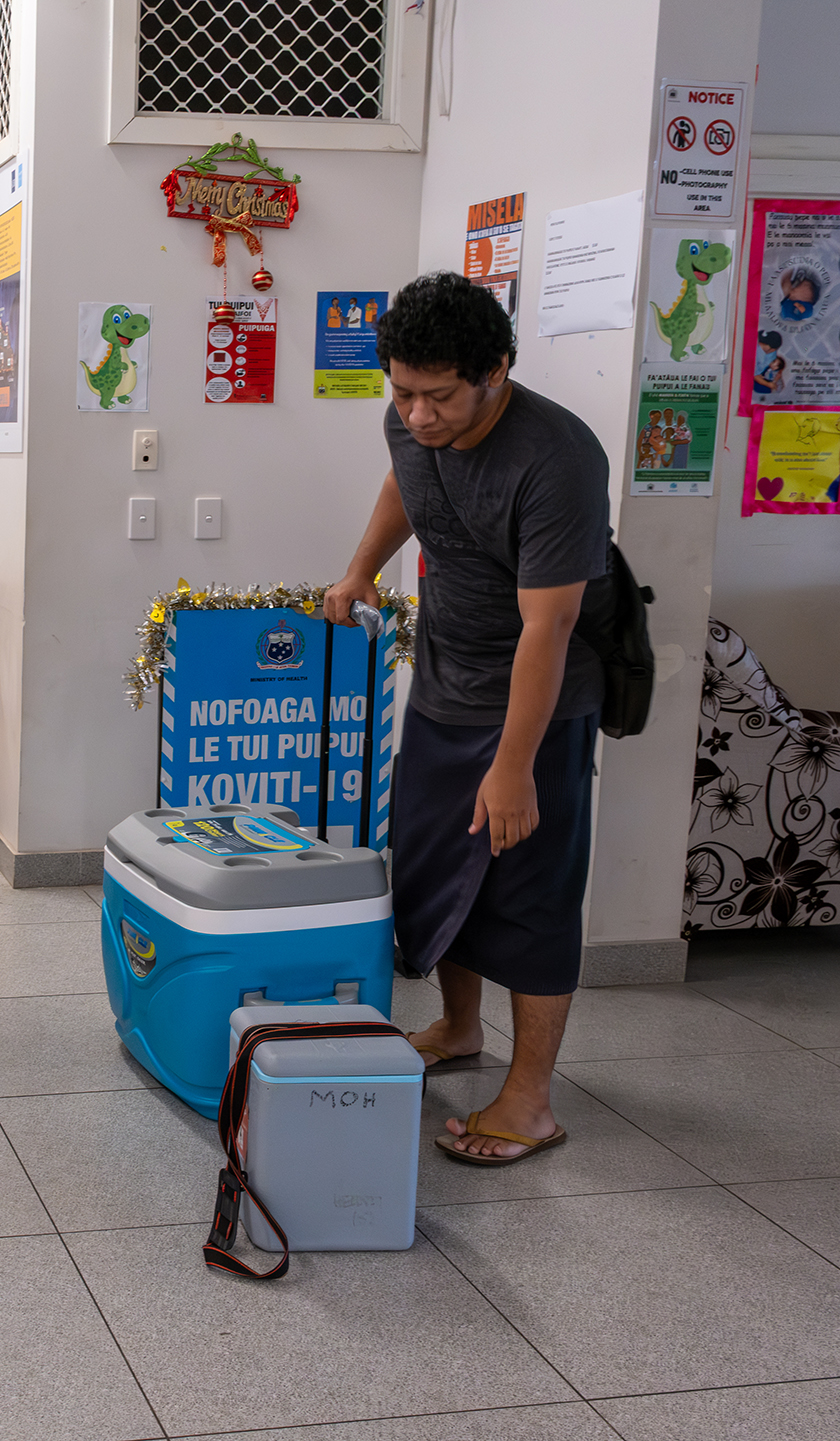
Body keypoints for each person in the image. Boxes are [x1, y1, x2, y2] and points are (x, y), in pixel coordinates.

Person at [324, 271, 611, 1166]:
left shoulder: (556, 458)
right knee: (439, 867)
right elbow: (406, 483)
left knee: (528, 895)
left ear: (497, 369)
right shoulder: (413, 420)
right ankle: (457, 1026)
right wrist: (360, 568)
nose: (416, 415)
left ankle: (530, 1102)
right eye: (401, 392)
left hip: (537, 707)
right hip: (446, 685)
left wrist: (515, 764)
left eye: (438, 396)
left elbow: (551, 624)